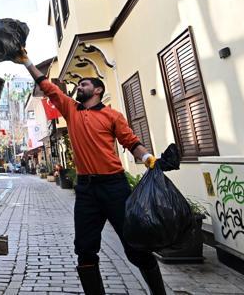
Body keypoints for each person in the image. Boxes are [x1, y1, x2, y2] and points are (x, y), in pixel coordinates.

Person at [15, 50, 166, 295]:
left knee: (135, 245)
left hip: (115, 187)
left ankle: (159, 292)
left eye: (84, 84)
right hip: (86, 190)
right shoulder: (71, 111)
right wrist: (26, 62)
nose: (79, 87)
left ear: (97, 90)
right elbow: (48, 87)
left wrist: (149, 159)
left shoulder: (112, 116)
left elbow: (131, 142)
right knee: (85, 249)